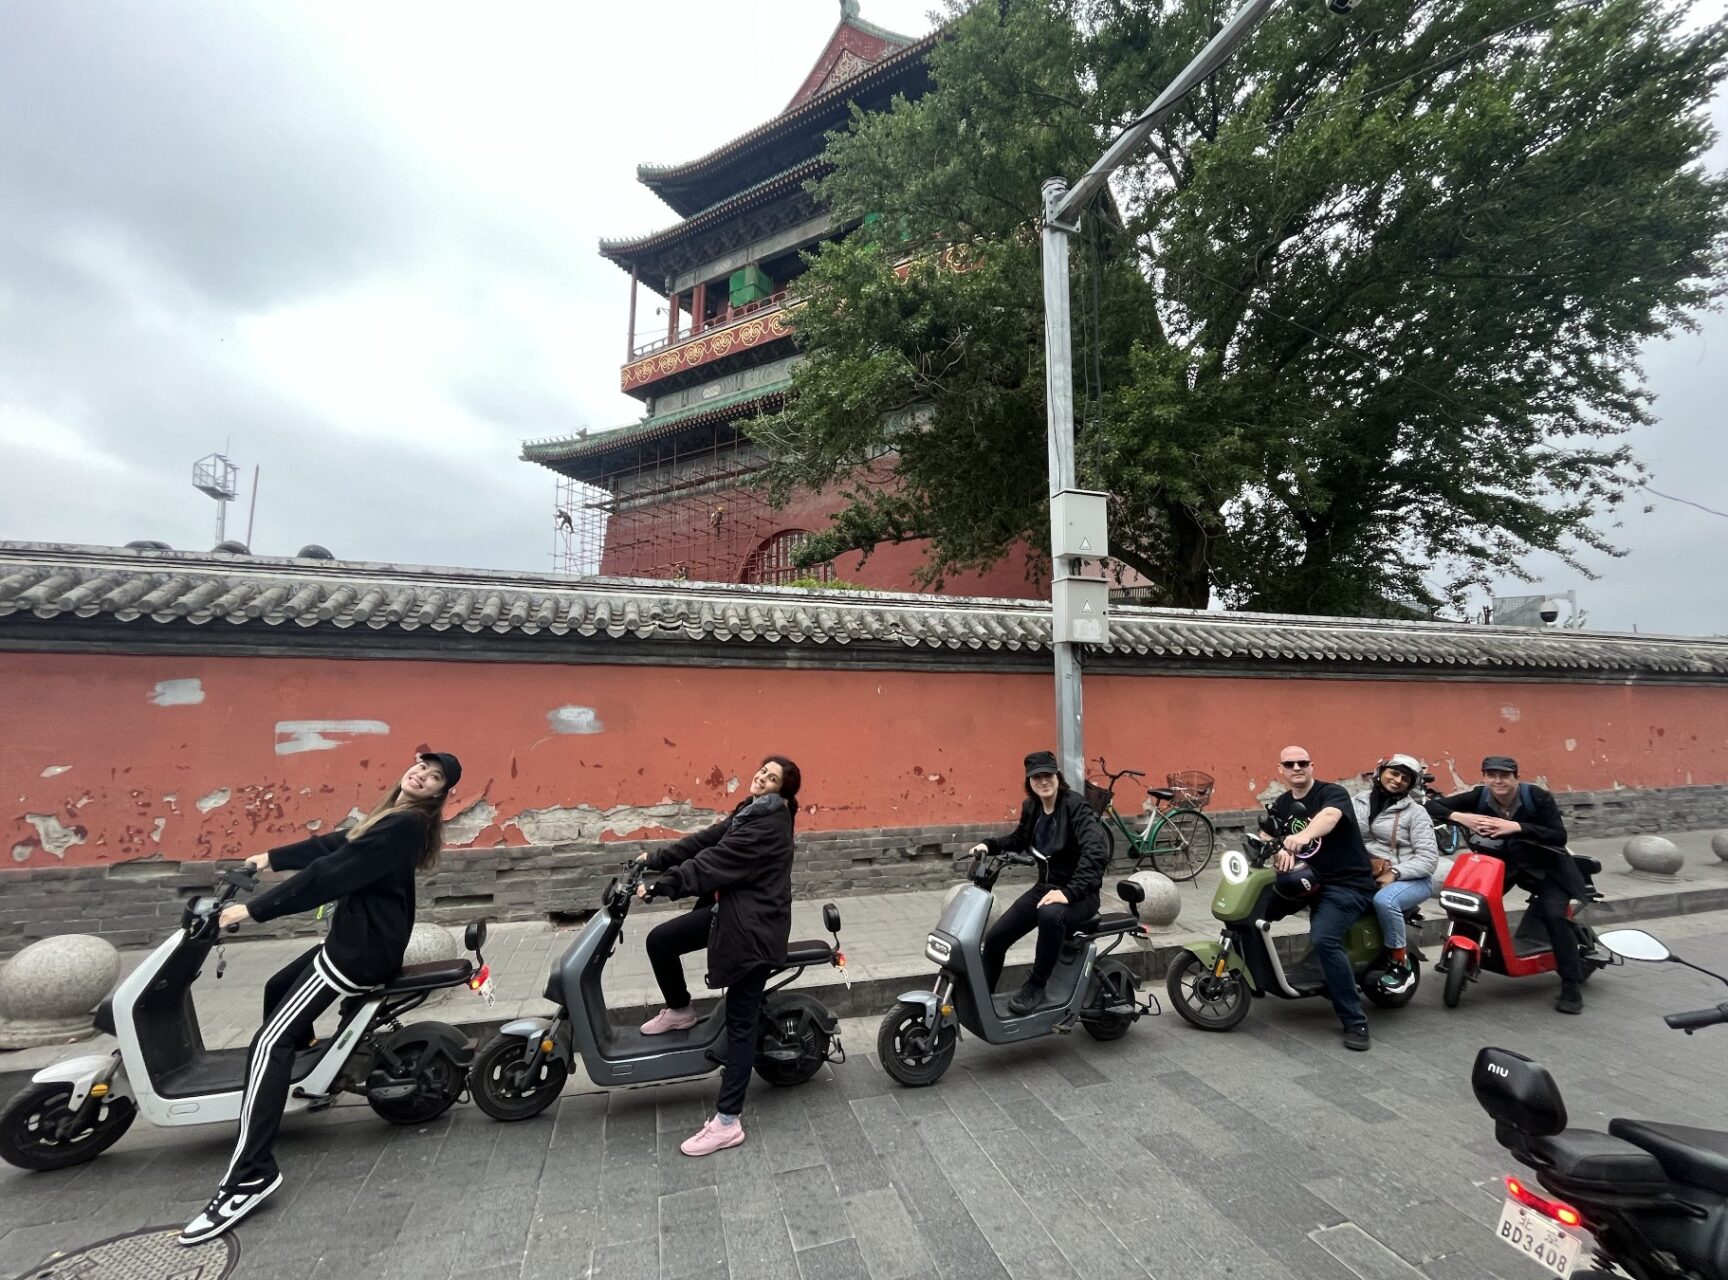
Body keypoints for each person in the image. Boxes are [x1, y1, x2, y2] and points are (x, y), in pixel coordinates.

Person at [179, 751, 461, 1246]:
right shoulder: (390, 813)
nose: (420, 774)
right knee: (274, 990)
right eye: (420, 766)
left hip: (357, 952)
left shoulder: (405, 826)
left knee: (268, 1044)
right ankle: (307, 1078)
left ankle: (251, 1174)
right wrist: (270, 858)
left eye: (433, 776)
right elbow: (335, 844)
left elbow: (332, 873)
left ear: (439, 794)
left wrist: (252, 910)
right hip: (356, 938)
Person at [635, 755, 801, 1157]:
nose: (762, 777)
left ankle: (728, 1121)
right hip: (729, 912)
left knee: (741, 1024)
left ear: (783, 790)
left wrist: (666, 885)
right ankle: (680, 1009)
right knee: (661, 941)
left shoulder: (770, 825)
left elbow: (716, 862)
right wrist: (654, 859)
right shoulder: (750, 810)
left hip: (754, 930)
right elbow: (706, 841)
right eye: (763, 770)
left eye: (772, 777)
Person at [1425, 755, 1591, 1014]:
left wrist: (1515, 826)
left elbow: (1559, 836)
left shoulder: (1537, 798)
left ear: (1516, 777)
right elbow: (1429, 807)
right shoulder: (1480, 797)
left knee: (1554, 915)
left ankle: (1570, 986)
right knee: (1475, 904)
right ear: (1484, 777)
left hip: (1548, 869)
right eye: (1491, 775)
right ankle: (1467, 954)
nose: (1498, 780)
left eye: (1504, 775)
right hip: (1507, 867)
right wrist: (1461, 817)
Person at [971, 750, 1109, 1016]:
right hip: (1045, 888)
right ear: (1029, 781)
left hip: (1080, 895)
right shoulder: (1032, 807)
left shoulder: (1075, 806)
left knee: (1050, 914)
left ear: (1057, 776)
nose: (1043, 781)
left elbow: (1096, 851)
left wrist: (1069, 893)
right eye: (1036, 777)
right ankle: (982, 997)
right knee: (996, 937)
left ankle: (1036, 985)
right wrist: (988, 845)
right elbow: (1019, 839)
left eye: (1048, 775)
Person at [1260, 746, 1379, 1052]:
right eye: (1290, 763)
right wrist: (1275, 850)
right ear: (1281, 769)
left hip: (1347, 884)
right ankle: (1255, 978)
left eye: (1302, 762)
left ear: (1312, 765)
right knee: (1255, 913)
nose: (1296, 767)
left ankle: (1355, 1021)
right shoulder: (1282, 803)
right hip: (1306, 881)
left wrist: (1301, 837)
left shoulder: (1332, 793)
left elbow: (1328, 818)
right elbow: (1266, 834)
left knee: (1324, 939)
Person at [1353, 754, 1439, 996]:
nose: (1398, 780)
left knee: (1385, 900)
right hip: (1368, 871)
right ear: (1380, 772)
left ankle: (1399, 964)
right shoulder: (1358, 802)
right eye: (1394, 773)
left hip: (1412, 879)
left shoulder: (1416, 813)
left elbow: (1428, 859)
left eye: (1405, 778)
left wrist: (1396, 873)